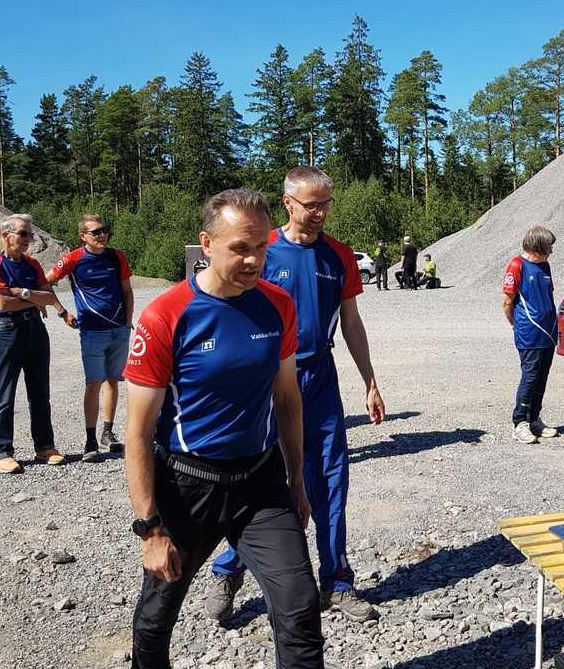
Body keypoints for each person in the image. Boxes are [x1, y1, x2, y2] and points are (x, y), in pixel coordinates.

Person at [123, 189, 324, 669]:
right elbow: (138, 432)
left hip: (260, 483)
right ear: (207, 243)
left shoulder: (277, 305)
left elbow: (287, 399)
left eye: (261, 247)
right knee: (155, 619)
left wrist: (297, 483)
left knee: (299, 607)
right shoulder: (166, 315)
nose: (254, 260)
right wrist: (150, 528)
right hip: (188, 486)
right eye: (240, 248)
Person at [208, 166, 386, 623]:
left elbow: (351, 323)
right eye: (312, 204)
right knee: (259, 480)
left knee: (330, 478)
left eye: (326, 203)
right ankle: (228, 571)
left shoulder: (338, 256)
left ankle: (338, 581)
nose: (321, 212)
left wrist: (369, 381)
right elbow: (232, 309)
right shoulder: (262, 251)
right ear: (288, 203)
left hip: (319, 376)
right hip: (267, 380)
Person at [0, 214, 74, 475]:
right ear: (6, 235)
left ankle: (45, 447)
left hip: (35, 329)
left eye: (29, 234)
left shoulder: (32, 264)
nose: (28, 239)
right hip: (7, 330)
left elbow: (48, 294)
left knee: (40, 392)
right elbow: (2, 303)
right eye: (23, 234)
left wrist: (20, 292)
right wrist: (32, 296)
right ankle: (2, 452)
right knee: (5, 394)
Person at [46, 214, 134, 462]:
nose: (102, 235)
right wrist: (62, 312)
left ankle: (108, 432)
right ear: (83, 236)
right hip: (92, 332)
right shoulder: (73, 259)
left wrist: (127, 322)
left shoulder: (116, 256)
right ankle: (90, 440)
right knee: (94, 383)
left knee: (113, 381)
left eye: (105, 230)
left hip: (119, 330)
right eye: (96, 232)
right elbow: (45, 282)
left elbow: (127, 291)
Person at [502, 226, 560, 445]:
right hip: (529, 331)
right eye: (549, 247)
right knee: (530, 376)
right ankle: (520, 423)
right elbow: (507, 301)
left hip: (549, 330)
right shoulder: (517, 265)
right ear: (537, 247)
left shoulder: (545, 266)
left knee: (542, 377)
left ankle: (534, 419)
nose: (551, 252)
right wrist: (516, 324)